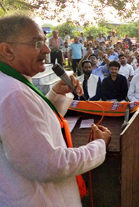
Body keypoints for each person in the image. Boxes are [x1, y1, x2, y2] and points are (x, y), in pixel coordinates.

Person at [0, 14, 111, 206]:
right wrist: (99, 147)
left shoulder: (11, 84)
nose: (46, 49)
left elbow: (32, 125)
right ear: (7, 50)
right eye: (36, 43)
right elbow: (48, 165)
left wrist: (55, 95)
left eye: (44, 41)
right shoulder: (14, 93)